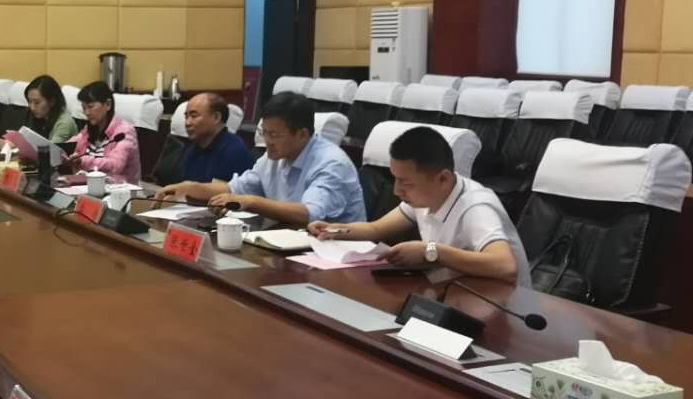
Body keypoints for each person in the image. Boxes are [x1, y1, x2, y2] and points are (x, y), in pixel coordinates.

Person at [309, 124, 530, 285]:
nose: (396, 191)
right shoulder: (425, 196)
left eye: (405, 183)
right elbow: (376, 229)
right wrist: (333, 230)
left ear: (443, 179)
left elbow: (505, 266)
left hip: (502, 304)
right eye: (395, 179)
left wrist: (430, 251)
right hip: (457, 290)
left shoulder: (476, 207)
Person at [159, 93, 364, 227]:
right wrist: (189, 188)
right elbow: (234, 189)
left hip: (337, 256)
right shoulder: (273, 157)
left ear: (302, 134)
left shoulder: (331, 163)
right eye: (264, 133)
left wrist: (251, 202)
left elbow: (309, 213)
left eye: (274, 135)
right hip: (289, 243)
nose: (267, 141)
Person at [155, 92, 253, 188]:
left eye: (194, 116)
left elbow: (226, 194)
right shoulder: (194, 147)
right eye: (186, 117)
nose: (187, 123)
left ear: (216, 117)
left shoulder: (234, 151)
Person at [66, 81, 140, 183]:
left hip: (119, 188)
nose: (87, 113)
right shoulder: (89, 129)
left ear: (108, 104)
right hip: (88, 185)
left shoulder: (125, 132)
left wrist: (82, 161)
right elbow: (70, 144)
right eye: (84, 108)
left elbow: (115, 165)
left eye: (91, 107)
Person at [17, 74, 76, 145]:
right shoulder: (40, 116)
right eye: (29, 101)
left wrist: (20, 144)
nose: (32, 108)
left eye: (37, 102)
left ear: (52, 101)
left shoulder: (64, 123)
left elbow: (50, 149)